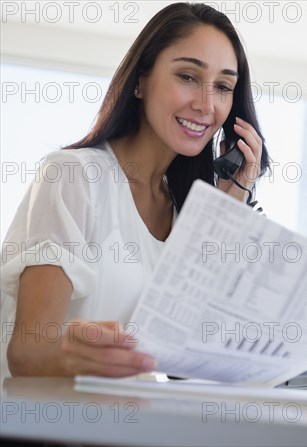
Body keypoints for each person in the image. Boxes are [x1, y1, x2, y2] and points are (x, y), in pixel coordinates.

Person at [0, 3, 270, 378]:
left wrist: (232, 199)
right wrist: (73, 353)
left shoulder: (184, 210)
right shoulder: (73, 177)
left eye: (223, 86)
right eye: (188, 76)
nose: (206, 105)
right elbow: (28, 354)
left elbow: (189, 354)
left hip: (139, 423)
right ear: (141, 80)